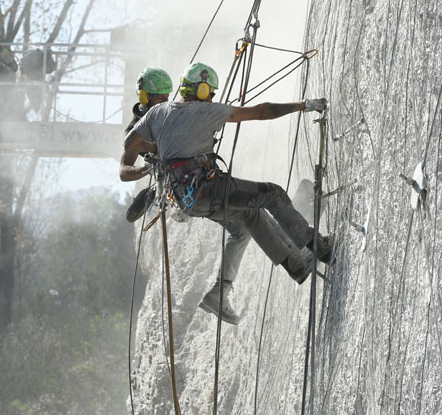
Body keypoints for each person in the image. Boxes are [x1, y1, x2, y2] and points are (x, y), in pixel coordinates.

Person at [122, 61, 331, 324]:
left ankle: (296, 265)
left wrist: (156, 151)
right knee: (273, 194)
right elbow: (262, 112)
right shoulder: (205, 110)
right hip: (209, 189)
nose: (212, 98)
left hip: (188, 202)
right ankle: (318, 246)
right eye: (210, 92)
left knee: (250, 216)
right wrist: (303, 105)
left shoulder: (156, 114)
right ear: (201, 91)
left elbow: (129, 145)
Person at [120, 67, 174, 221]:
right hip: (171, 178)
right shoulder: (134, 132)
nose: (164, 103)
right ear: (144, 97)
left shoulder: (170, 113)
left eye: (167, 98)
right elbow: (123, 171)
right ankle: (153, 192)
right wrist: (146, 168)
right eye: (160, 99)